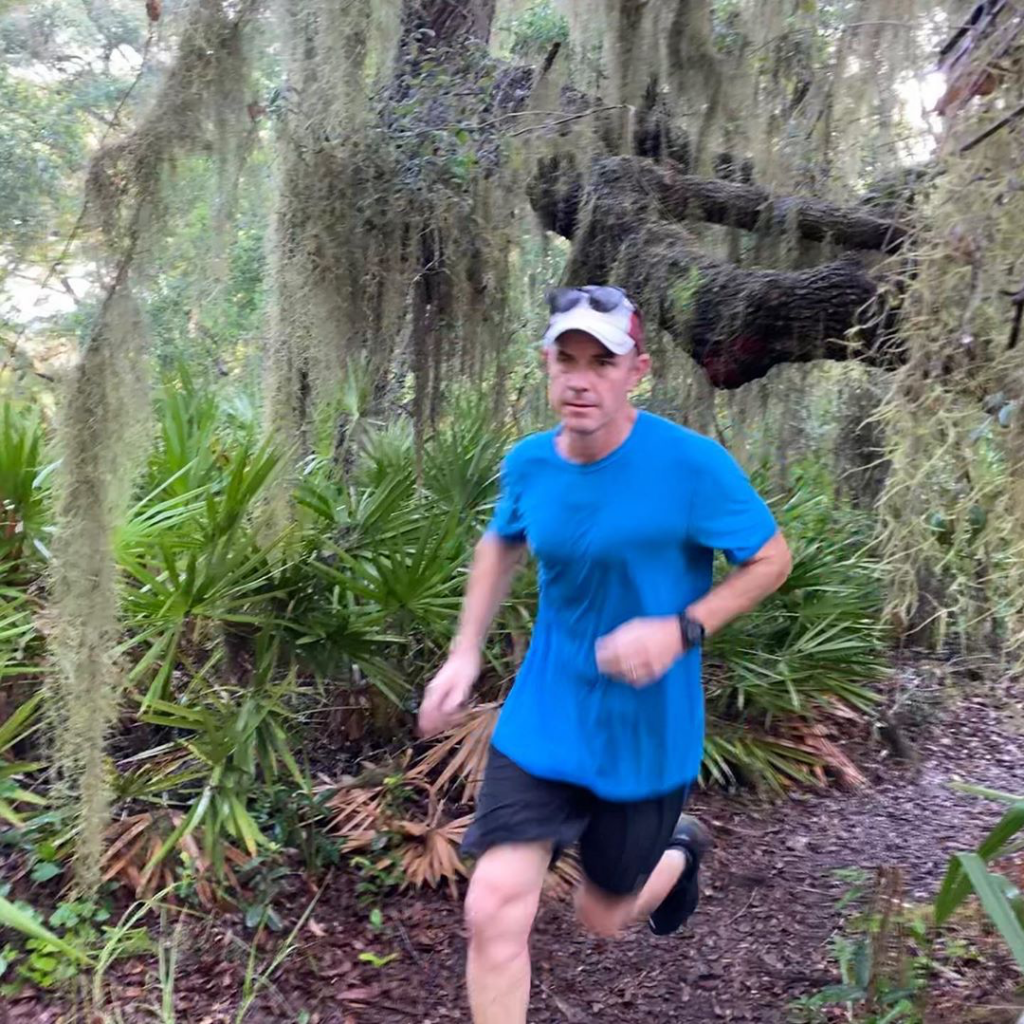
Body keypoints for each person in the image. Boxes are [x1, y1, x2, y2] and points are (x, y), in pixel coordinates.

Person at [418, 285, 793, 1024]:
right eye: (567, 359)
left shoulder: (692, 466)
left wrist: (682, 629)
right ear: (547, 365)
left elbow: (772, 558)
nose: (581, 378)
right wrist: (464, 653)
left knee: (603, 916)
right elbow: (501, 543)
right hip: (546, 718)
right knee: (491, 908)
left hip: (646, 735)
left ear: (637, 371)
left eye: (602, 361)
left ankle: (679, 851)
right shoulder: (529, 464)